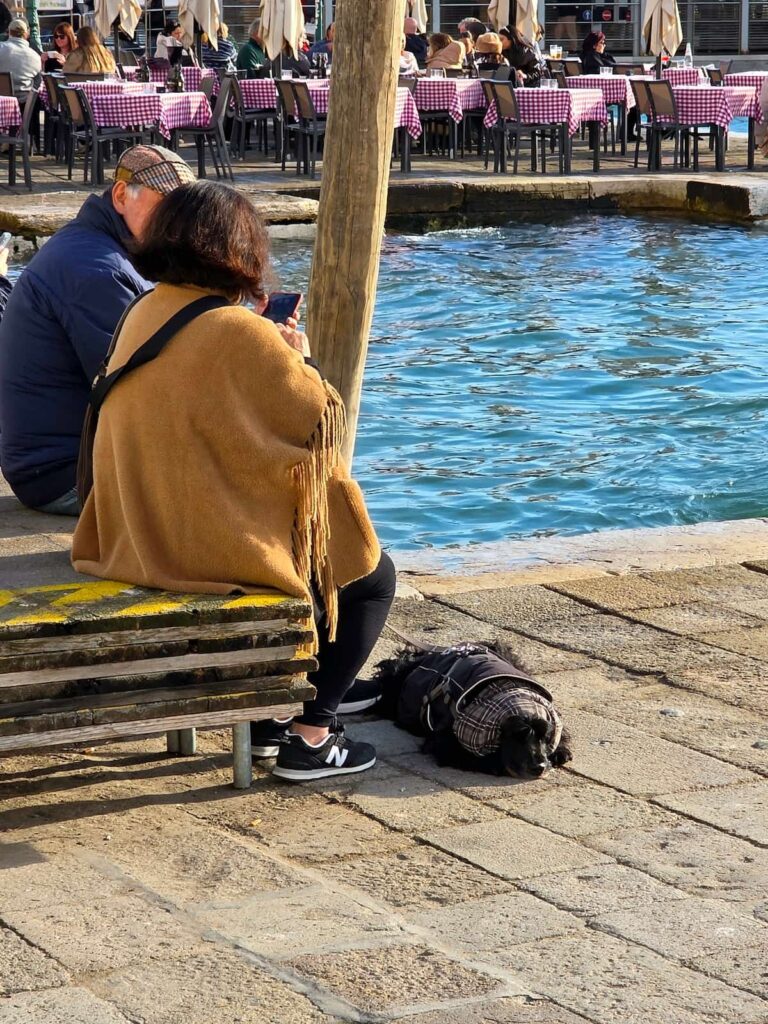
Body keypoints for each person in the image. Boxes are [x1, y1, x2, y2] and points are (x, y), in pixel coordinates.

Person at [71, 180, 397, 783]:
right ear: (240, 252)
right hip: (192, 543)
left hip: (135, 527)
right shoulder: (239, 331)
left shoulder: (145, 308)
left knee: (317, 541)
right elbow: (320, 418)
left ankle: (280, 706)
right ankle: (312, 732)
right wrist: (298, 355)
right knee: (367, 573)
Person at [0, 145, 197, 516]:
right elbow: (141, 389)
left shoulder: (100, 248)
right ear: (122, 195)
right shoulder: (96, 269)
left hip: (53, 462)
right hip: (65, 474)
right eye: (167, 210)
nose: (177, 226)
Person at [0, 19, 41, 93]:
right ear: (26, 34)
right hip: (25, 102)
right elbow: (37, 84)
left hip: (2, 100)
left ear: (9, 32)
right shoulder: (36, 57)